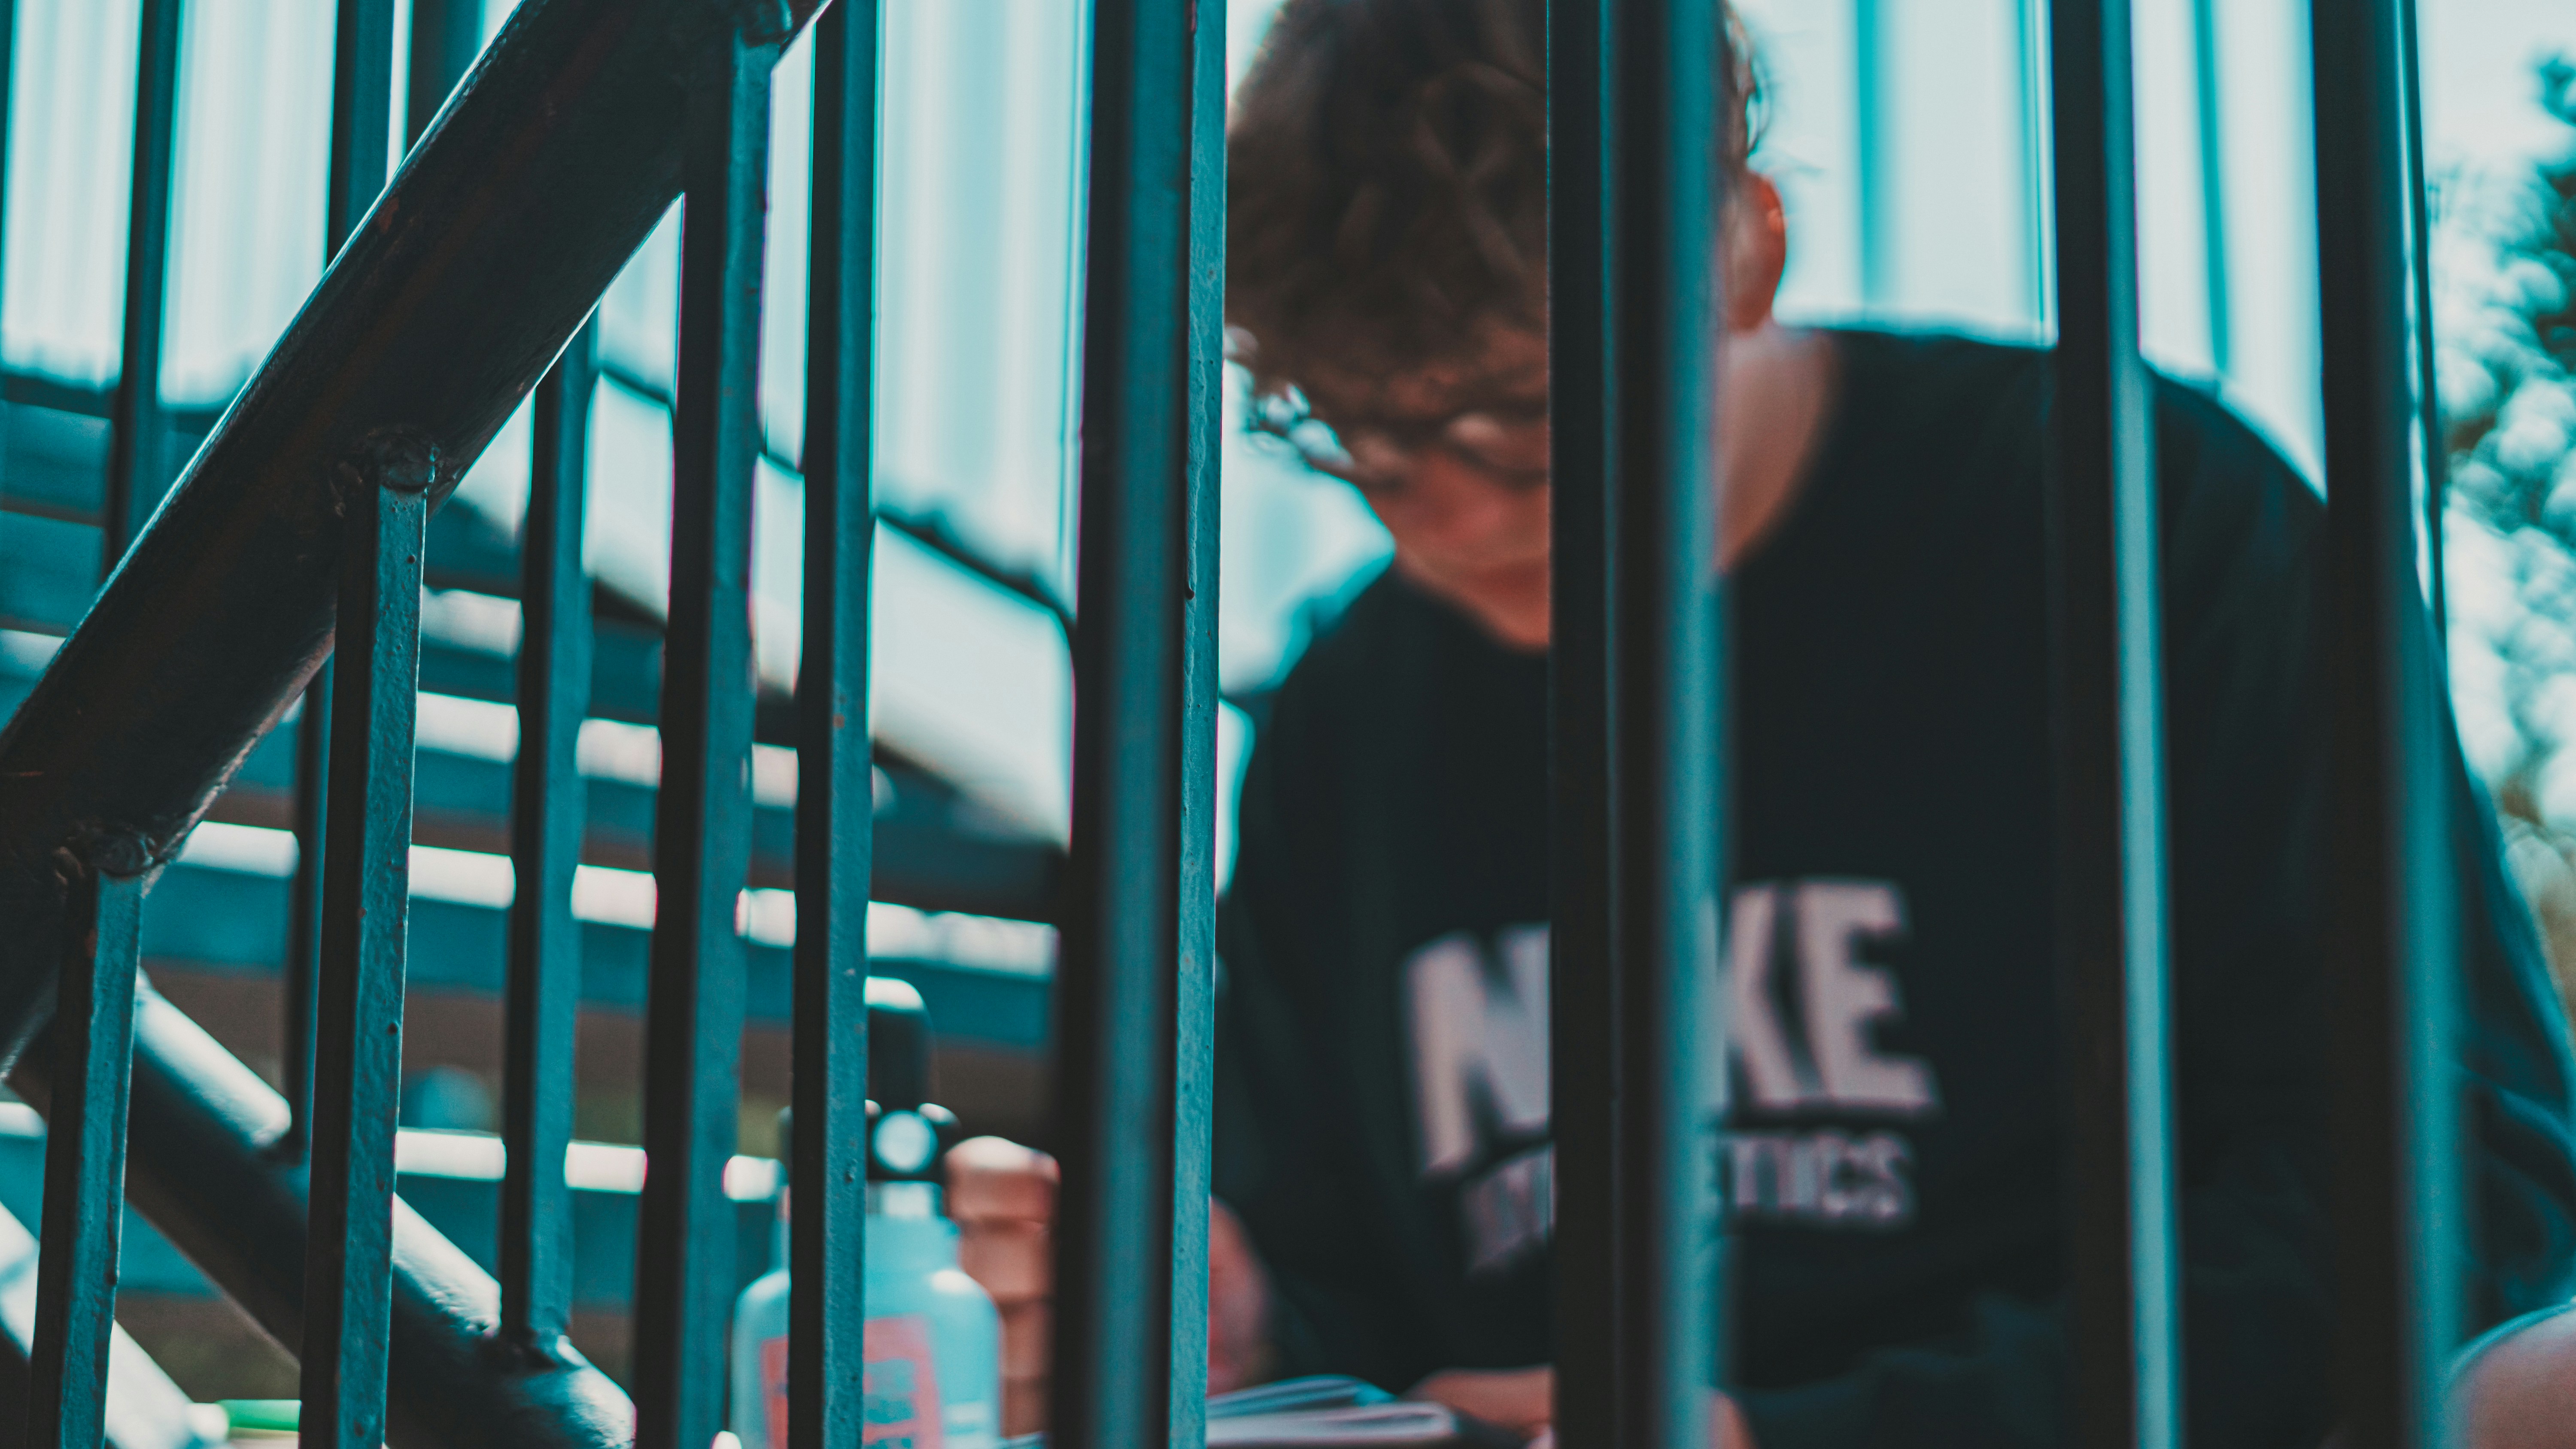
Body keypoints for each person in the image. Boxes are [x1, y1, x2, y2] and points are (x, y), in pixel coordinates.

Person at [949, 0, 2576, 1443]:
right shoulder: (1347, 714)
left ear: (1748, 250)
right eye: (1366, 440)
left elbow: (2457, 1193)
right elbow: (1349, 1297)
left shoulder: (2134, 524)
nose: (1441, 518)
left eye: (1519, 417)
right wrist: (1241, 1327)